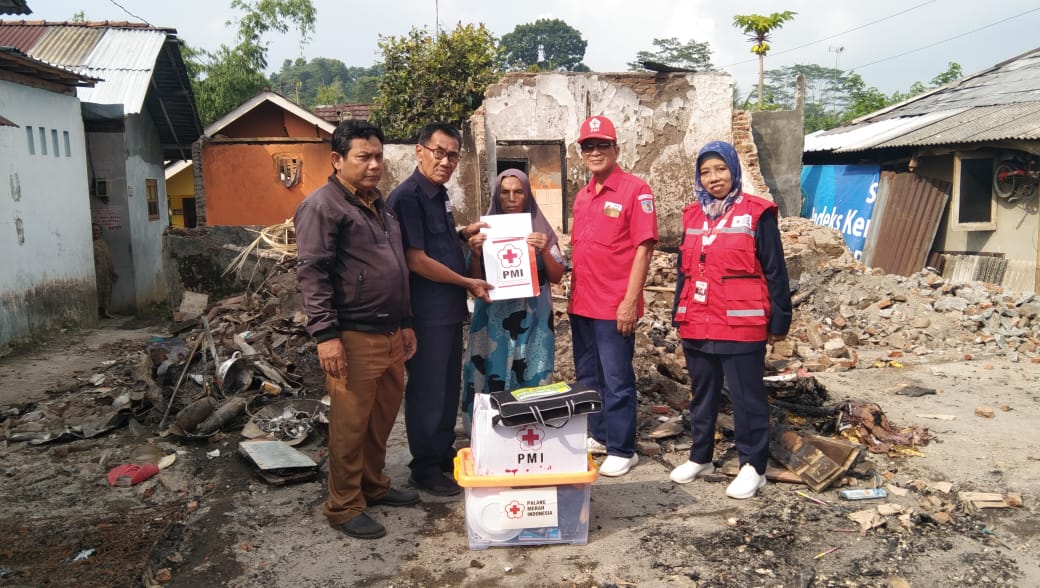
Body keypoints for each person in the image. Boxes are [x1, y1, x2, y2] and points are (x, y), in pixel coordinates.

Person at [294, 120, 419, 540]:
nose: (373, 165)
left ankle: (373, 485)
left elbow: (396, 269)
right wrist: (326, 336)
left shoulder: (380, 206)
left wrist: (404, 324)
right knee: (350, 425)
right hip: (352, 336)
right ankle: (344, 505)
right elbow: (313, 274)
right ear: (337, 160)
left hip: (390, 334)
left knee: (381, 419)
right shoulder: (324, 206)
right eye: (363, 157)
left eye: (378, 156)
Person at [670, 140, 792, 499]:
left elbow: (776, 271)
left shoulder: (758, 213)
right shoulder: (692, 215)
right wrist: (679, 311)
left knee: (746, 397)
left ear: (734, 170)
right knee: (702, 394)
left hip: (741, 323)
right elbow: (684, 271)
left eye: (720, 169)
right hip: (697, 319)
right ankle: (700, 456)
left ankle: (753, 465)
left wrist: (779, 321)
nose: (713, 178)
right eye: (705, 172)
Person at [388, 122, 492, 497]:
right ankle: (425, 468)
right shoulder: (408, 198)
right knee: (428, 391)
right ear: (419, 151)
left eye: (452, 155)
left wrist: (463, 235)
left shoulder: (439, 195)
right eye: (438, 152)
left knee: (447, 387)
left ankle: (440, 450)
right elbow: (415, 259)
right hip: (426, 313)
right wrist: (466, 283)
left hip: (447, 312)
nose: (445, 160)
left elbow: (438, 243)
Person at [569, 115, 658, 477]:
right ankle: (599, 434)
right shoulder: (583, 195)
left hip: (613, 305)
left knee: (617, 378)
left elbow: (644, 249)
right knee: (587, 377)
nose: (594, 152)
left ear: (616, 149)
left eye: (601, 145)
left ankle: (623, 447)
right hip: (582, 303)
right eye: (588, 146)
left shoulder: (636, 190)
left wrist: (628, 302)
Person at [460, 169, 565, 422]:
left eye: (518, 192)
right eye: (504, 192)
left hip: (535, 318)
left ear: (527, 195)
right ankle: (488, 429)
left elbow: (557, 275)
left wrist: (544, 252)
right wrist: (475, 254)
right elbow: (473, 280)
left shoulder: (542, 230)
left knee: (533, 370)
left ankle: (529, 431)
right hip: (493, 317)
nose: (511, 198)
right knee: (489, 370)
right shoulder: (484, 230)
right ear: (497, 196)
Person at [92, 223, 117, 318]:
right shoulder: (89, 244)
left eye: (97, 230)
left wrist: (112, 270)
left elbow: (109, 258)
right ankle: (97, 312)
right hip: (95, 272)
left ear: (100, 232)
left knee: (106, 291)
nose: (95, 232)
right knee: (97, 292)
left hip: (105, 272)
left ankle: (105, 311)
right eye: (93, 230)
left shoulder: (103, 243)